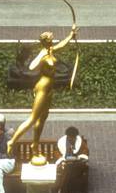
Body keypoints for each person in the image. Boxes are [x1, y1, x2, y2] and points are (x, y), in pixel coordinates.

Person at [7, 24, 77, 160]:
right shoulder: (43, 53)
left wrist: (71, 35)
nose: (53, 38)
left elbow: (61, 45)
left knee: (43, 118)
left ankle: (35, 145)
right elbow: (32, 66)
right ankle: (12, 141)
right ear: (46, 41)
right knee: (33, 118)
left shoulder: (50, 49)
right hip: (42, 87)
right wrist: (40, 58)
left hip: (49, 88)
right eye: (50, 37)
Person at [55, 125, 88, 193]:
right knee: (69, 169)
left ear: (76, 137)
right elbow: (56, 153)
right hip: (65, 164)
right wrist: (62, 160)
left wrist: (79, 158)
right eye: (70, 138)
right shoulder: (61, 143)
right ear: (67, 136)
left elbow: (85, 153)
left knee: (69, 168)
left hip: (77, 165)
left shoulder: (81, 143)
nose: (72, 139)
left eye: (73, 138)